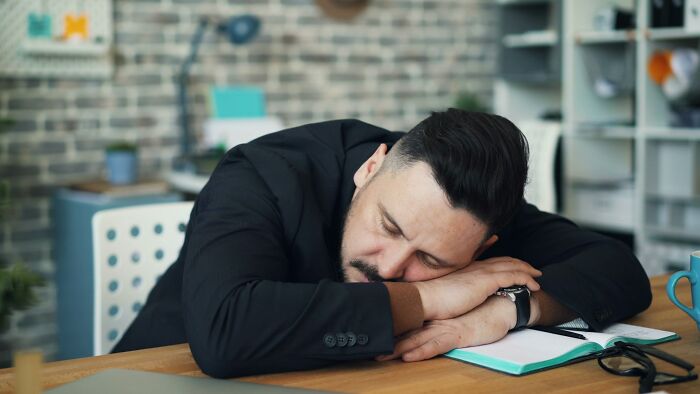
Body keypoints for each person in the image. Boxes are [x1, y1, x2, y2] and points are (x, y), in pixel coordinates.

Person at [113, 109, 651, 378]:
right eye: (389, 227)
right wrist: (430, 298)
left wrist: (505, 310)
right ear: (372, 167)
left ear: (483, 247)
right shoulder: (259, 173)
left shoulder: (464, 211)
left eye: (433, 261)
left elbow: (616, 268)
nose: (390, 265)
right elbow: (224, 331)